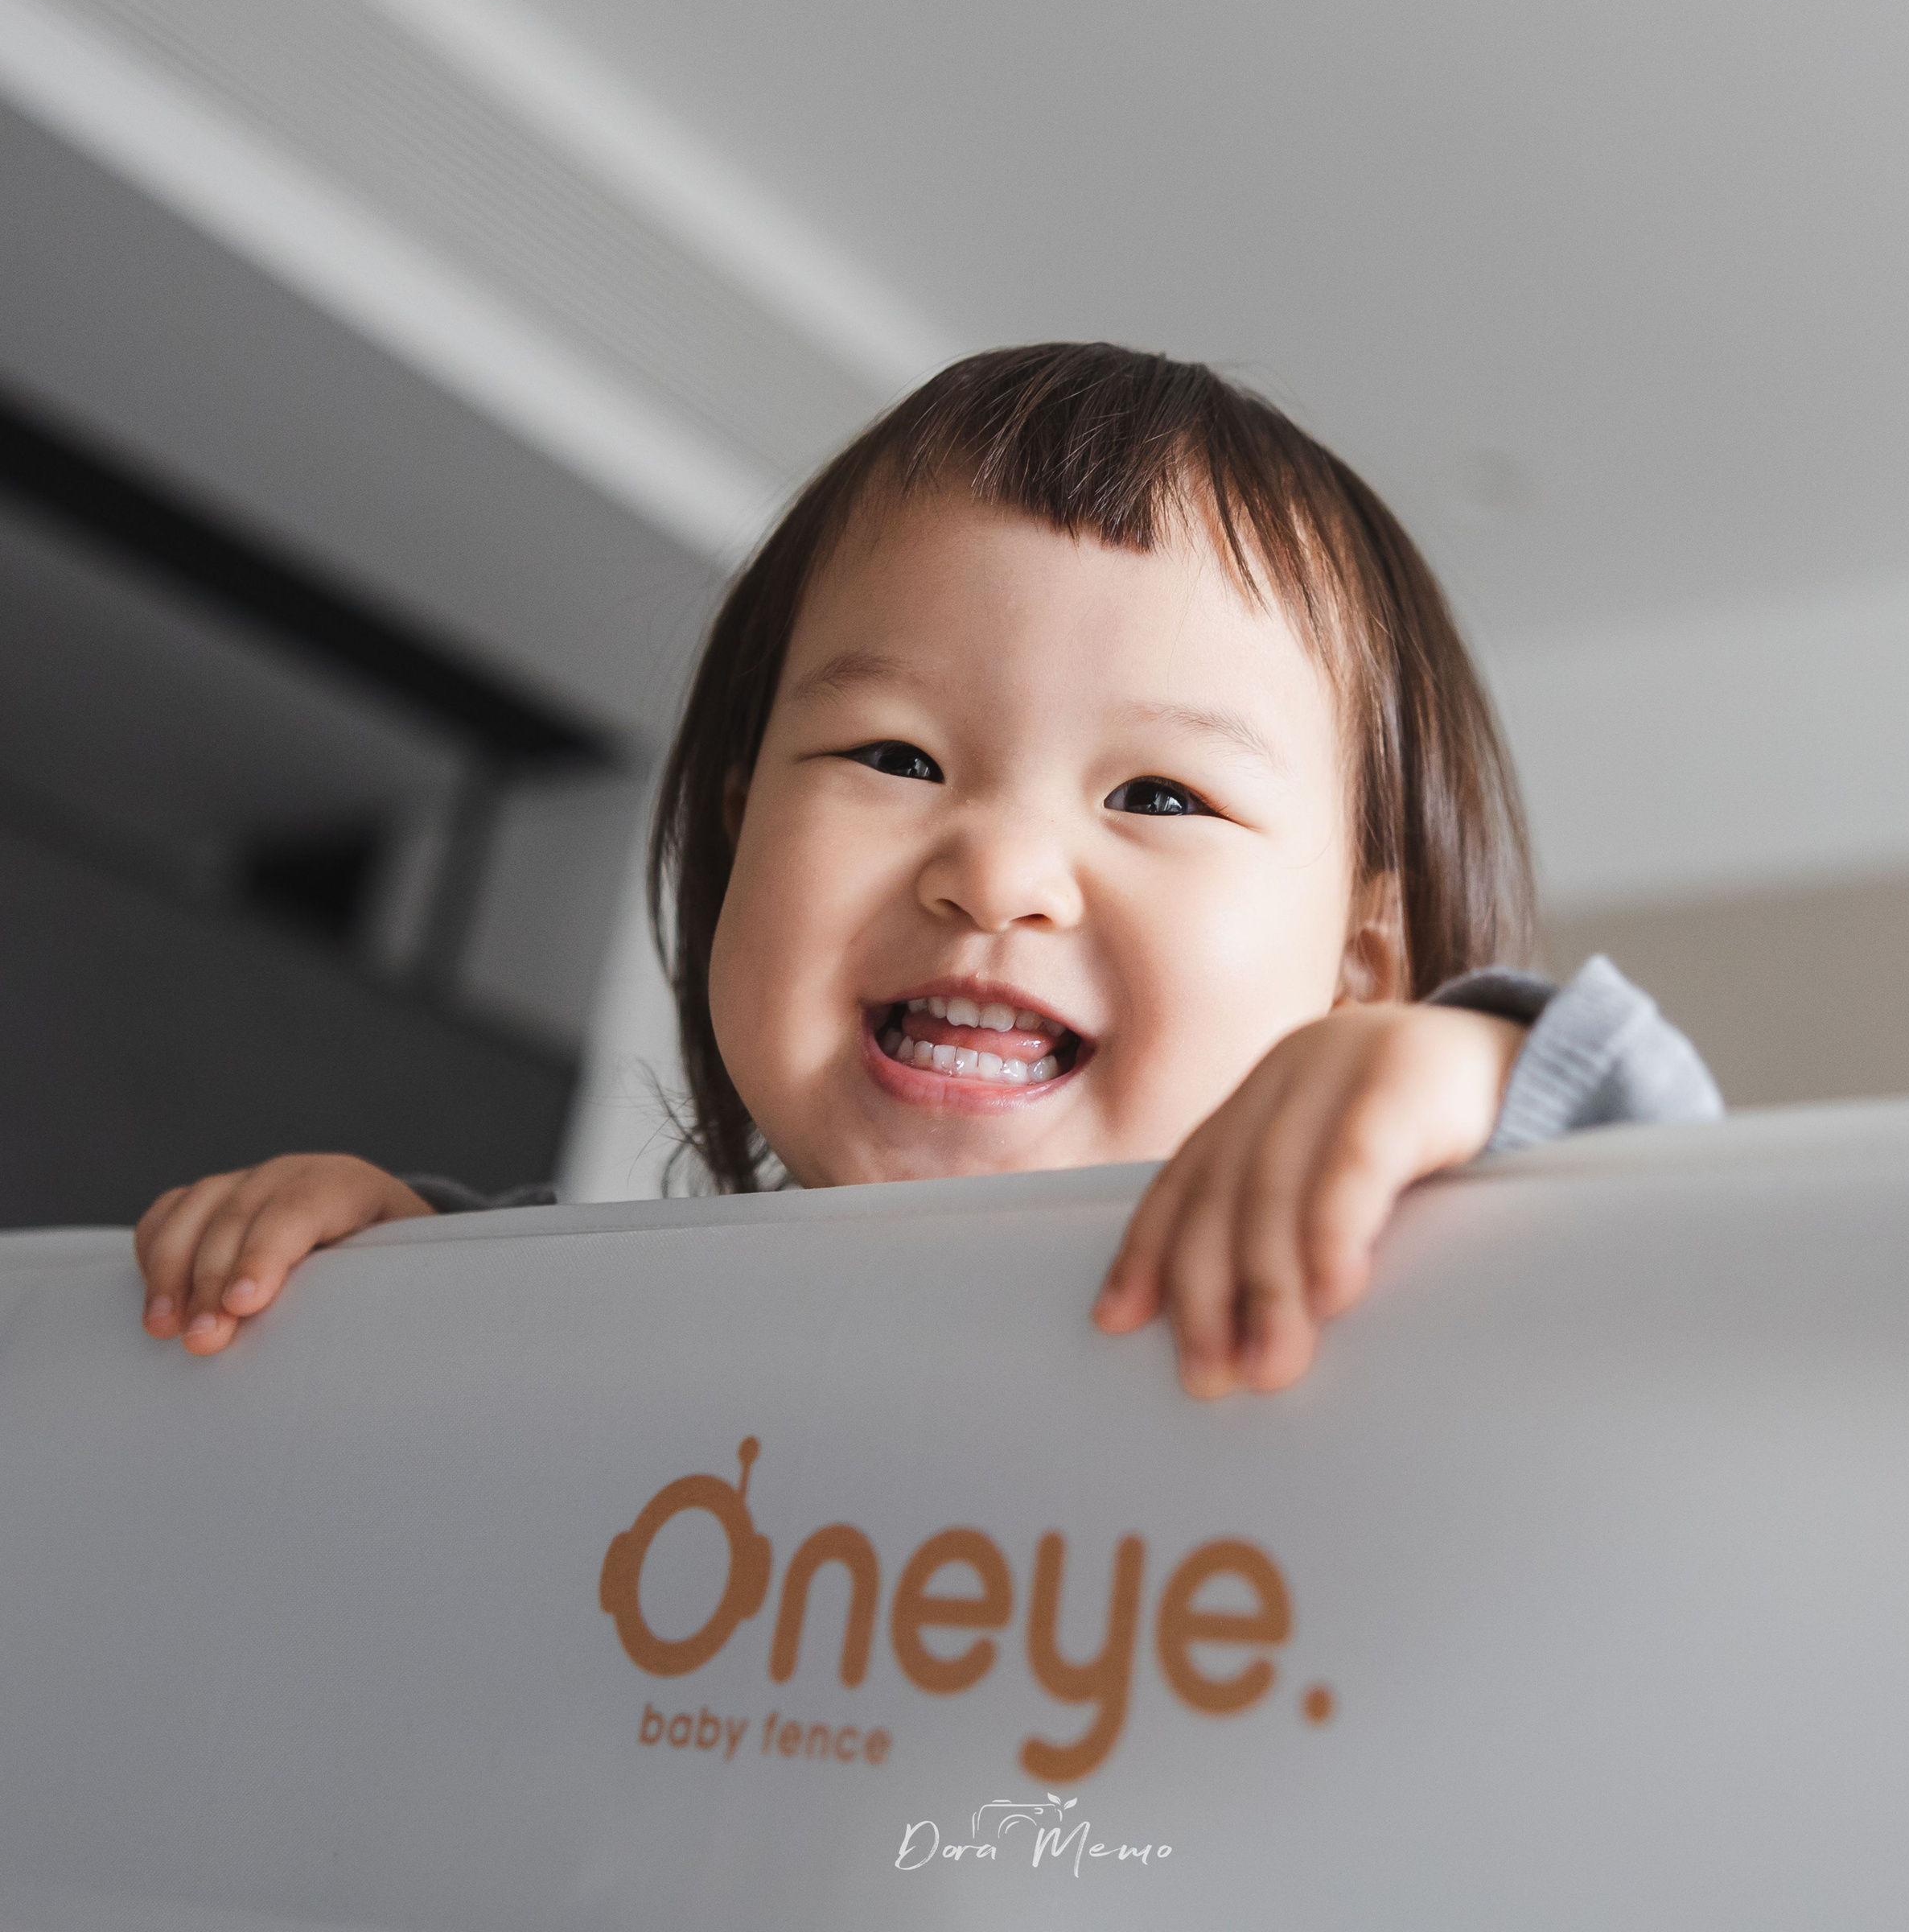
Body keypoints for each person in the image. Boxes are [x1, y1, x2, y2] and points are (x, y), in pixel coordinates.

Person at [133, 344, 1718, 1394]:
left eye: (1157, 789)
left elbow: (1710, 1292)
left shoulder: (1378, 1340)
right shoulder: (596, 1331)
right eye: (894, 758)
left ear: (1354, 969)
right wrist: (385, 1281)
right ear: (740, 825)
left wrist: (1480, 1063)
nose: (999, 871)